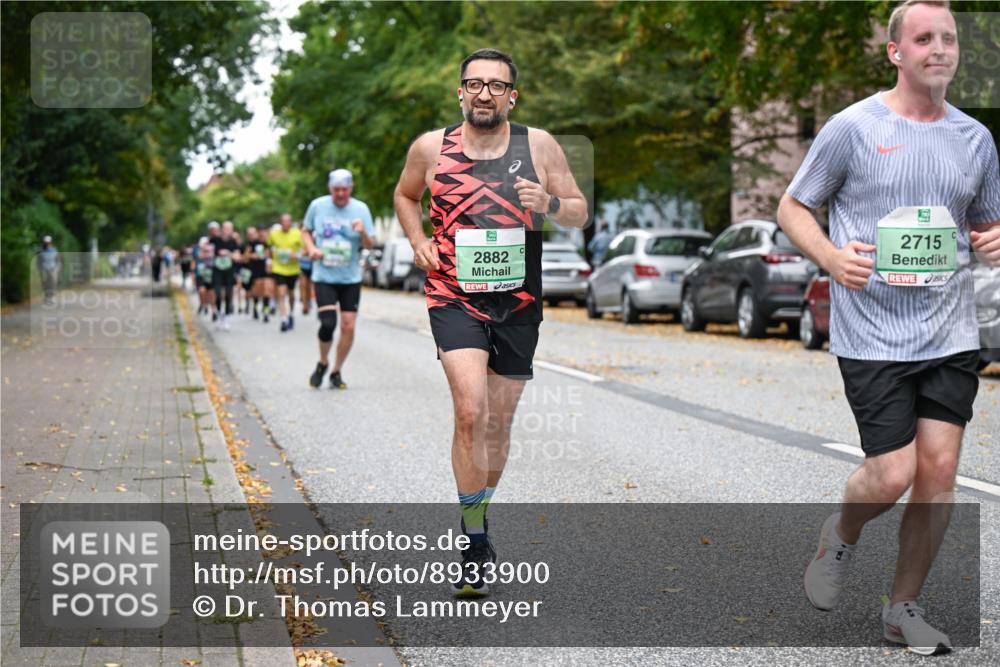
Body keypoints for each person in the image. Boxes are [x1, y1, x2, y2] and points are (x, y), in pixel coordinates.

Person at [776, 0, 1000, 655]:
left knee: (938, 471)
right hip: (872, 330)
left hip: (950, 330)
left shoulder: (975, 140)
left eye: (949, 38)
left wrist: (995, 239)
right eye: (924, 38)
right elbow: (792, 207)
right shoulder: (852, 128)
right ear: (896, 52)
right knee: (892, 472)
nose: (940, 48)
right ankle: (841, 533)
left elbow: (986, 222)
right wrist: (830, 257)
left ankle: (902, 608)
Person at [393, 48, 588, 597]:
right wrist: (417, 239)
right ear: (460, 92)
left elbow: (578, 210)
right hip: (453, 295)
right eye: (474, 84)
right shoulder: (431, 148)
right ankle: (475, 542)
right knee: (470, 411)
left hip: (519, 303)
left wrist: (549, 202)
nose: (484, 93)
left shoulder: (539, 145)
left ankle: (477, 517)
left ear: (512, 97)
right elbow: (405, 195)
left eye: (496, 85)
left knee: (497, 425)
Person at [302, 169, 375, 389]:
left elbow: (370, 244)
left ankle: (336, 370)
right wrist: (311, 248)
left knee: (348, 326)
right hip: (324, 275)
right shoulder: (317, 206)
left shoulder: (361, 209)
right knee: (328, 324)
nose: (341, 194)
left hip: (350, 278)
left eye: (344, 189)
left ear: (351, 188)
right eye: (336, 190)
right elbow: (305, 231)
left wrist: (362, 232)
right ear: (330, 188)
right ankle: (323, 362)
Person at [268, 214, 304, 332]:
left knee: (291, 294)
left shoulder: (297, 233)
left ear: (291, 222)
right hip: (279, 268)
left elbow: (304, 249)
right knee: (281, 293)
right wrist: (269, 261)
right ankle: (283, 319)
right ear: (280, 223)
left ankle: (291, 314)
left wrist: (297, 255)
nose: (286, 223)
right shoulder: (273, 234)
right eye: (283, 221)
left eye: (288, 221)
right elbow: (268, 247)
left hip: (293, 269)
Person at [210, 221, 241, 330]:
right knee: (218, 294)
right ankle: (219, 315)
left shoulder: (233, 242)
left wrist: (228, 253)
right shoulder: (215, 240)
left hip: (229, 271)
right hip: (217, 271)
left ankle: (227, 317)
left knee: (228, 294)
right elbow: (206, 251)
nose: (227, 231)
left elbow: (238, 257)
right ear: (222, 229)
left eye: (230, 229)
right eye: (226, 228)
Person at [298, 221, 315, 316]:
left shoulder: (313, 237)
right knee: (303, 285)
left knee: (309, 286)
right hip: (302, 265)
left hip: (312, 265)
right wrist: (303, 253)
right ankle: (304, 305)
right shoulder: (298, 238)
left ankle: (308, 300)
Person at [36, 236, 61, 302]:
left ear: (51, 242)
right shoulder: (40, 251)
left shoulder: (55, 250)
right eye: (46, 243)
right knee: (45, 283)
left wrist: (57, 269)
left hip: (53, 269)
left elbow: (58, 260)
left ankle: (52, 296)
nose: (47, 244)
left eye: (48, 243)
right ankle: (46, 296)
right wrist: (40, 269)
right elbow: (39, 261)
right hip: (44, 269)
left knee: (53, 283)